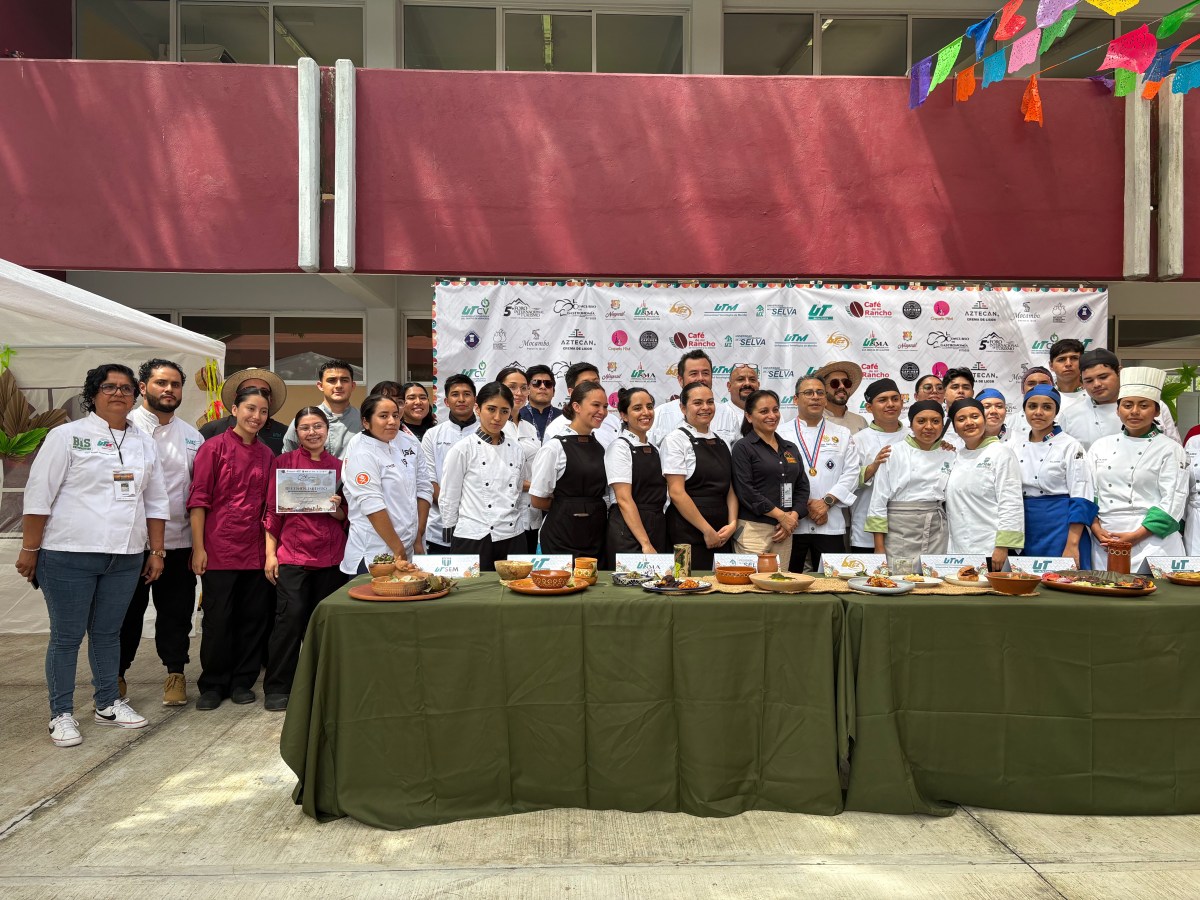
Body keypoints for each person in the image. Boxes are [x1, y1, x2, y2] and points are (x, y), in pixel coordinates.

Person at [18, 364, 169, 747]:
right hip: (69, 553)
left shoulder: (144, 441)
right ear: (93, 393)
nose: (118, 393)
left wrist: (156, 550)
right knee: (67, 637)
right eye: (108, 387)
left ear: (135, 394)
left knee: (107, 634)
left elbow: (155, 500)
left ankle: (107, 703)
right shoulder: (67, 436)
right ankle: (62, 714)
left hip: (126, 555)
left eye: (125, 388)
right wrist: (30, 548)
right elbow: (39, 496)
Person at [118, 359, 203, 708]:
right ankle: (116, 675)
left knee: (176, 614)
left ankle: (175, 674)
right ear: (143, 388)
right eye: (160, 383)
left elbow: (199, 494)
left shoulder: (192, 436)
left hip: (179, 543)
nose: (169, 390)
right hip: (132, 544)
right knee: (125, 614)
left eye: (175, 384)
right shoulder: (123, 429)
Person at [187, 385, 275, 711]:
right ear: (235, 410)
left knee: (253, 619)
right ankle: (213, 683)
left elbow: (270, 507)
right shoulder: (212, 448)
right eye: (250, 409)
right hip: (219, 549)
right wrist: (198, 547)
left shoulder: (267, 455)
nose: (256, 416)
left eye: (263, 411)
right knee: (218, 619)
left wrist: (270, 552)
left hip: (254, 550)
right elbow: (198, 501)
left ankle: (243, 681)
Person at [262, 408, 347, 710]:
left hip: (331, 556)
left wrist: (336, 508)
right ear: (296, 433)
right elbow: (272, 512)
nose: (312, 433)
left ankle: (322, 686)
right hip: (293, 556)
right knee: (290, 620)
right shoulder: (283, 464)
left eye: (318, 427)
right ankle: (278, 686)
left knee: (324, 625)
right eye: (305, 428)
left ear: (328, 431)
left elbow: (346, 516)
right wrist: (271, 554)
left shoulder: (340, 467)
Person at [1087, 367, 1188, 573]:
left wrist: (1135, 537)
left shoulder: (1170, 449)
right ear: (1117, 410)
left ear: (1157, 411)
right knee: (1105, 598)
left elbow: (1174, 500)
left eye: (1143, 405)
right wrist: (1096, 529)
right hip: (1105, 541)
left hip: (1154, 542)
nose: (1134, 411)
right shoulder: (1100, 446)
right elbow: (1089, 494)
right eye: (1127, 405)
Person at [439, 383, 530, 570]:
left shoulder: (516, 449)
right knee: (472, 597)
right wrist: (449, 532)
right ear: (478, 409)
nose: (497, 417)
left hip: (513, 535)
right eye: (491, 409)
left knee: (516, 595)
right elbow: (449, 496)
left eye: (504, 411)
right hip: (474, 537)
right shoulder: (463, 449)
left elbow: (518, 492)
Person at [341, 394, 433, 572]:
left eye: (396, 415)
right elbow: (372, 506)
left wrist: (417, 537)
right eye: (383, 416)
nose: (392, 421)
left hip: (409, 550)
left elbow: (424, 487)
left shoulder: (409, 441)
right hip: (374, 555)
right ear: (366, 422)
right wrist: (399, 551)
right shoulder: (361, 452)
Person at [1010, 385, 1096, 568]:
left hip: (1061, 527)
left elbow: (1082, 497)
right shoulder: (1014, 445)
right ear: (1024, 409)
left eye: (1047, 407)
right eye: (1032, 406)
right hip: (1024, 524)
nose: (1038, 412)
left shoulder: (1070, 446)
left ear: (1056, 411)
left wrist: (1072, 544)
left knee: (1064, 583)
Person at [660, 382, 738, 571]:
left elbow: (729, 489)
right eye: (698, 403)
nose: (705, 407)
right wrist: (706, 530)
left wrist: (733, 523)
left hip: (722, 531)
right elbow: (677, 493)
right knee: (686, 585)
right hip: (687, 531)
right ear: (683, 407)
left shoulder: (722, 442)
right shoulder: (675, 441)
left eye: (710, 402)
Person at [785, 375, 859, 572]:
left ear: (826, 399)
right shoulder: (780, 433)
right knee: (787, 581)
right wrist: (803, 506)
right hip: (792, 524)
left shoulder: (842, 434)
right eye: (808, 393)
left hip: (830, 522)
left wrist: (826, 502)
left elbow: (852, 473)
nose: (815, 397)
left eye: (820, 393)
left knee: (833, 583)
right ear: (795, 399)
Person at [530, 380, 609, 561]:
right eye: (596, 405)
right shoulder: (554, 448)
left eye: (605, 406)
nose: (602, 412)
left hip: (595, 535)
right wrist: (570, 507)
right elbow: (537, 499)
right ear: (576, 406)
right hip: (559, 537)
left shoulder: (600, 447)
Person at [866, 401, 955, 558]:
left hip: (936, 529)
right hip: (899, 529)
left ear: (942, 425)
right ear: (911, 425)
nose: (929, 427)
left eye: (935, 421)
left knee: (934, 578)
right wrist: (879, 547)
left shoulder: (951, 454)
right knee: (899, 578)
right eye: (921, 421)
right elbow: (878, 502)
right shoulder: (893, 452)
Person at [731, 390, 807, 570]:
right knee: (751, 587)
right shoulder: (742, 448)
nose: (772, 416)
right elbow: (746, 491)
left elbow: (802, 487)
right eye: (764, 411)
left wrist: (792, 517)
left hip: (785, 530)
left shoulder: (790, 448)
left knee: (779, 585)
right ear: (749, 416)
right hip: (753, 531)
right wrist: (781, 516)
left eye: (775, 410)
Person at [944, 398, 1025, 568]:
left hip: (991, 549)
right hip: (958, 550)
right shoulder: (956, 457)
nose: (969, 423)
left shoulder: (1002, 453)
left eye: (974, 416)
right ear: (954, 427)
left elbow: (1011, 503)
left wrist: (1002, 547)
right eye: (961, 419)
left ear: (984, 419)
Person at [1060, 349, 1181, 449]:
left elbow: (1175, 447)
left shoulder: (1153, 405)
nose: (1096, 384)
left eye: (1103, 377)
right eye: (1089, 380)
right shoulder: (1070, 415)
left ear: (1119, 372)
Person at [604, 387, 669, 567]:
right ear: (624, 415)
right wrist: (645, 543)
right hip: (628, 530)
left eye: (649, 406)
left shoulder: (655, 449)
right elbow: (624, 499)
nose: (646, 413)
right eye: (637, 408)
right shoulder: (619, 447)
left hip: (656, 525)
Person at [849, 379, 909, 553]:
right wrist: (874, 467)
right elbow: (848, 482)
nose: (890, 404)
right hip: (865, 531)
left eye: (895, 399)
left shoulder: (914, 436)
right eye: (882, 400)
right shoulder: (857, 440)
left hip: (908, 531)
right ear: (869, 408)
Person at [421, 375, 477, 555]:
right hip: (439, 523)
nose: (461, 399)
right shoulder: (432, 434)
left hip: (478, 522)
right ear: (446, 401)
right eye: (455, 394)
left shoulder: (486, 431)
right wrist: (450, 507)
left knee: (477, 581)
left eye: (467, 394)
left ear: (475, 400)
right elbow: (429, 480)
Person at [649, 350, 743, 448]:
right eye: (693, 374)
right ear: (680, 380)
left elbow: (738, 454)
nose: (700, 378)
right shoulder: (660, 414)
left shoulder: (727, 414)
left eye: (705, 373)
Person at [498, 367, 543, 552]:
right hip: (502, 516)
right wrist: (539, 488)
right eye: (512, 387)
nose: (519, 393)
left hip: (532, 514)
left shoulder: (530, 428)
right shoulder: (493, 427)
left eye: (524, 388)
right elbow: (498, 474)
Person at [199, 367, 289, 456]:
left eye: (264, 392)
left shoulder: (284, 433)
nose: (257, 394)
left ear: (271, 400)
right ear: (236, 398)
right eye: (249, 390)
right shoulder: (212, 430)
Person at [282, 359, 361, 457]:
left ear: (353, 386)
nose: (339, 385)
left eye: (344, 380)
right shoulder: (304, 419)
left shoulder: (364, 421)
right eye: (332, 380)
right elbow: (287, 459)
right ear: (320, 386)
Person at [543, 362, 621, 448]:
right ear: (571, 392)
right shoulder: (555, 429)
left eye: (596, 382)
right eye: (586, 384)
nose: (593, 387)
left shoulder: (613, 421)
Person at [818, 362, 867, 434]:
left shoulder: (860, 421)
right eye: (835, 383)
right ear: (823, 388)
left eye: (846, 383)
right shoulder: (814, 421)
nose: (842, 386)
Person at [519, 364, 562, 442]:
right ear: (527, 389)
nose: (543, 387)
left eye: (548, 384)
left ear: (554, 392)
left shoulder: (564, 418)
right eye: (536, 383)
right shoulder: (517, 416)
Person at [1048, 338, 1086, 413]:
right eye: (1061, 359)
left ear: (1083, 362)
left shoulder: (1095, 395)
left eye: (1074, 358)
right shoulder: (1044, 397)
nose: (1068, 364)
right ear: (1051, 366)